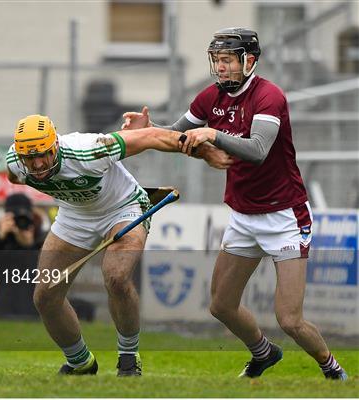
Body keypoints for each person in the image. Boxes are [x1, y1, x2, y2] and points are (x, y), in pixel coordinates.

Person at [122, 27, 347, 380]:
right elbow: (178, 135)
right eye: (217, 60)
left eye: (227, 60)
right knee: (221, 305)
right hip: (243, 217)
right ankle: (263, 353)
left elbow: (257, 150)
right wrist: (148, 129)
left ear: (249, 61)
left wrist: (213, 134)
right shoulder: (209, 98)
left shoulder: (269, 96)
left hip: (285, 217)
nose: (221, 67)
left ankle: (333, 371)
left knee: (289, 319)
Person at [6, 114, 231, 377]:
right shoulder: (16, 163)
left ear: (56, 145)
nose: (38, 164)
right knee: (45, 296)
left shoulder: (89, 150)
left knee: (116, 277)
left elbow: (152, 137)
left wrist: (204, 152)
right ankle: (81, 363)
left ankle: (128, 357)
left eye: (43, 154)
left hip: (123, 208)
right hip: (74, 216)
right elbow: (14, 177)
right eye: (29, 158)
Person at [0, 193, 45, 318]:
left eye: (23, 217)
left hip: (31, 310)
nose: (19, 222)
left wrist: (29, 247)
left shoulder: (40, 238)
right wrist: (0, 239)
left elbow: (44, 274)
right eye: (14, 217)